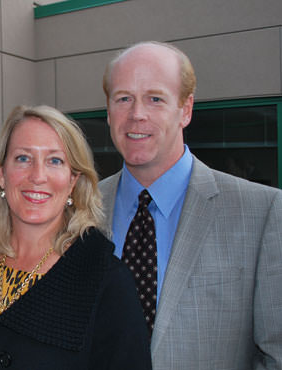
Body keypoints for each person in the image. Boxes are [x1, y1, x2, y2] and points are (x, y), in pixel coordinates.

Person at [99, 41, 282, 369]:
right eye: (124, 98)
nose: (137, 114)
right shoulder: (80, 210)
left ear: (186, 109)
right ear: (109, 111)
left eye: (155, 98)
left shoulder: (262, 212)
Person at [0, 105, 151, 369]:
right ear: (1, 175)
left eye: (55, 161)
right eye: (23, 158)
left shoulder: (107, 281)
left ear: (73, 180)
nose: (38, 176)